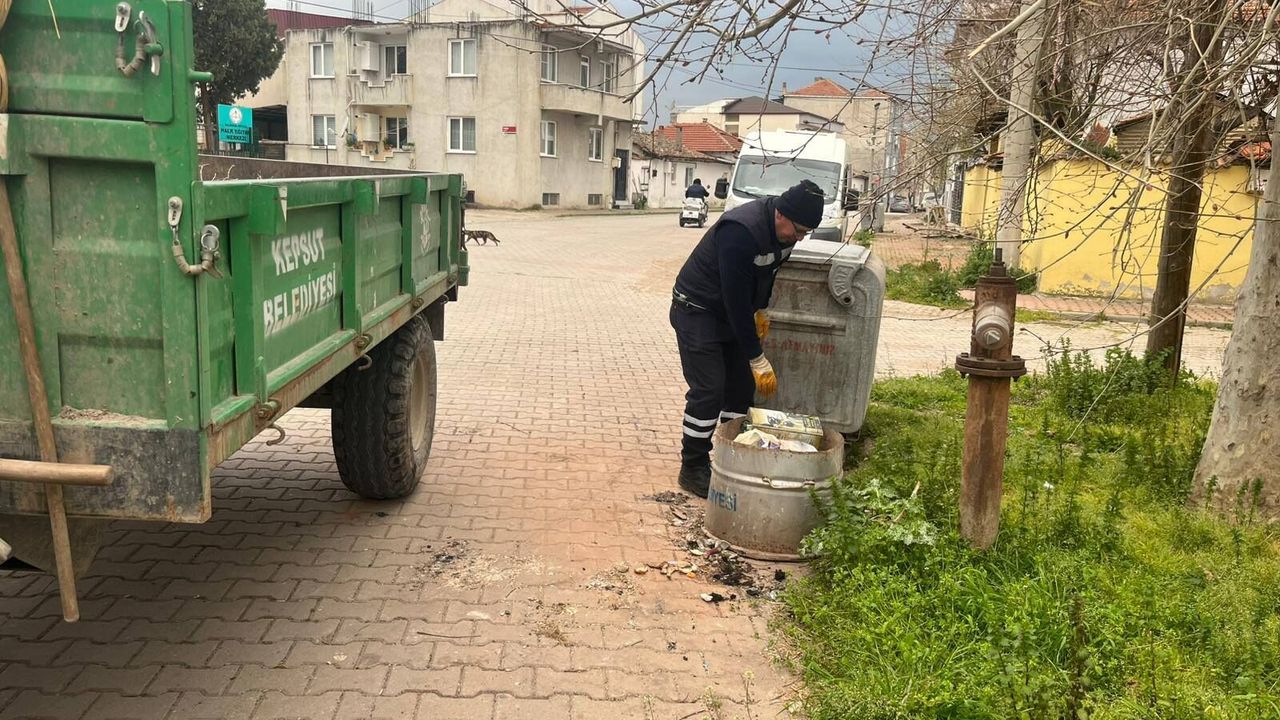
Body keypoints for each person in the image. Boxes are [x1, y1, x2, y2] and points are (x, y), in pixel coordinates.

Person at [669, 180, 825, 497]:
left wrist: (761, 309)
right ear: (781, 214)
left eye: (806, 233)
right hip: (697, 310)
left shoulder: (785, 234)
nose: (799, 238)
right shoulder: (740, 231)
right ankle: (693, 466)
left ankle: (732, 458)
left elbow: (766, 275)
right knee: (710, 391)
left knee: (741, 391)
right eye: (798, 230)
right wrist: (756, 356)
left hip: (729, 313)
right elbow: (735, 299)